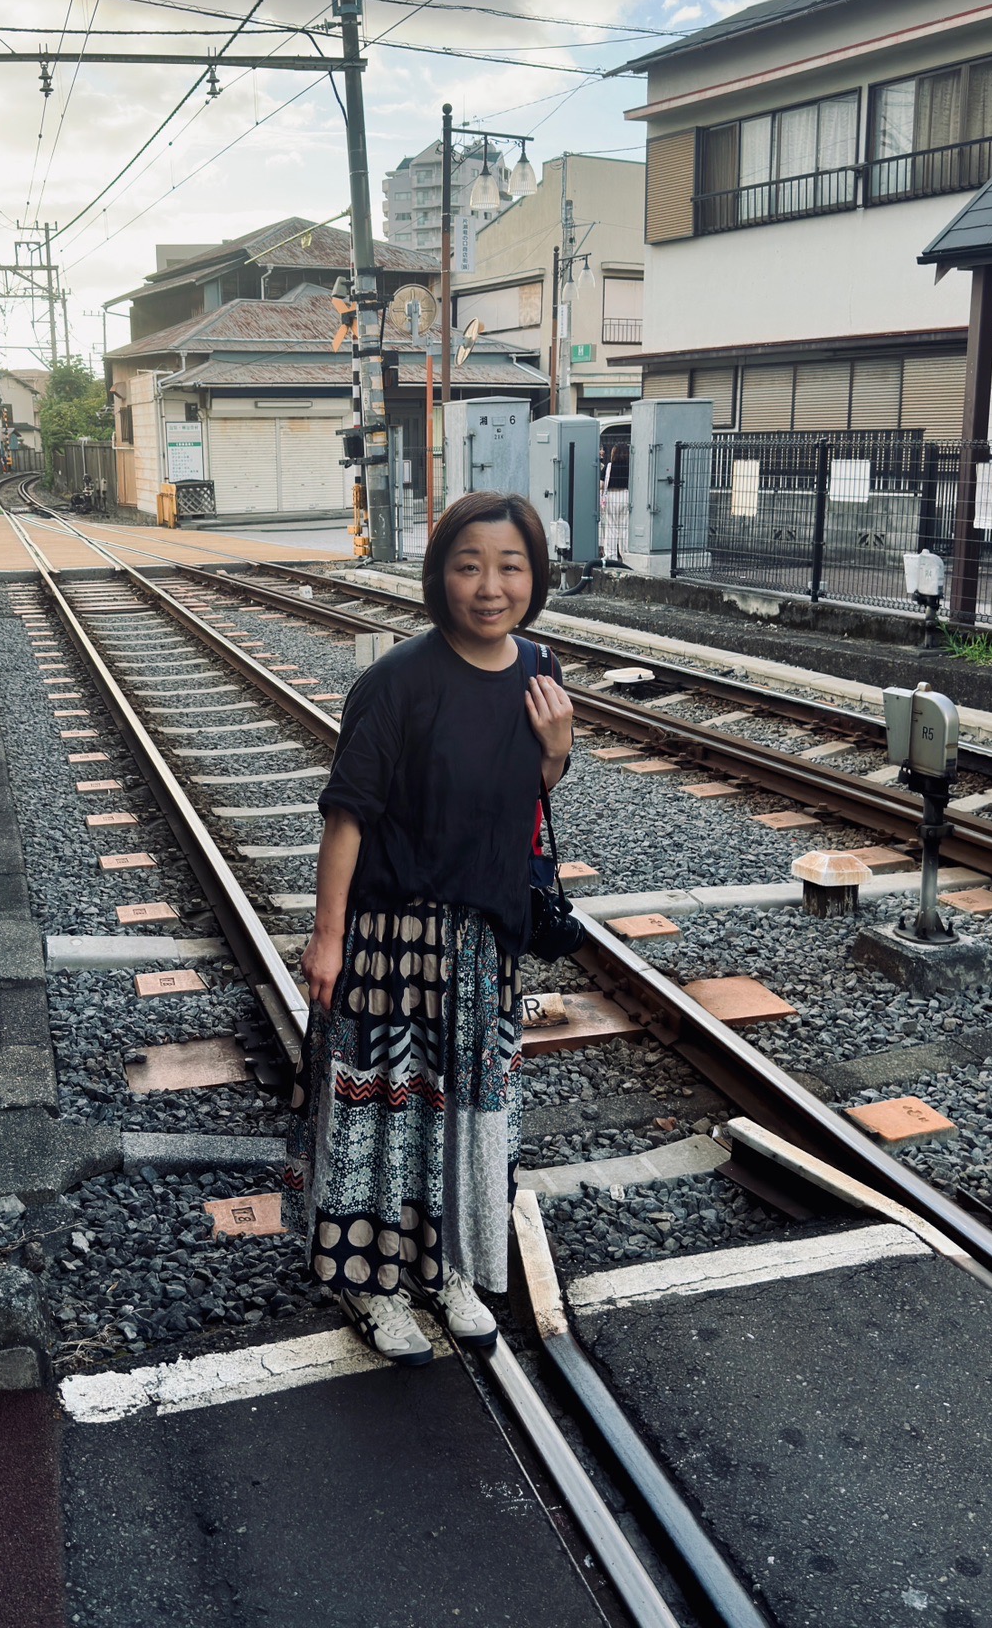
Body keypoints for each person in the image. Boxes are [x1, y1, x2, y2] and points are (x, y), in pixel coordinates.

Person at [282, 490, 575, 1365]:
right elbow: (347, 817)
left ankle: (449, 1271)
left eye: (510, 566)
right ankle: (372, 1287)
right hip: (389, 942)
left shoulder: (540, 670)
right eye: (469, 565)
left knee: (465, 1119)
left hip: (483, 946)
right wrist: (328, 937)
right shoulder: (396, 683)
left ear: (536, 576)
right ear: (439, 573)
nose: (491, 586)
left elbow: (526, 801)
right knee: (383, 1120)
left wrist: (557, 751)